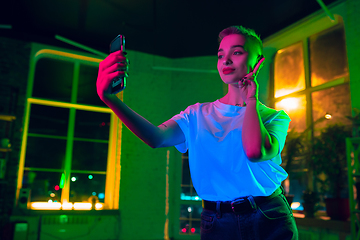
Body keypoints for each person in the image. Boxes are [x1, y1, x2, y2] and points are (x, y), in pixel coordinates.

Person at [96, 25, 298, 240]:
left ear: (258, 62)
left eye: (237, 52)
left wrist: (250, 99)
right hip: (217, 221)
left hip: (268, 216)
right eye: (221, 55)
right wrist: (110, 99)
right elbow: (156, 138)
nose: (226, 60)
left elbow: (255, 151)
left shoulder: (275, 117)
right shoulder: (196, 114)